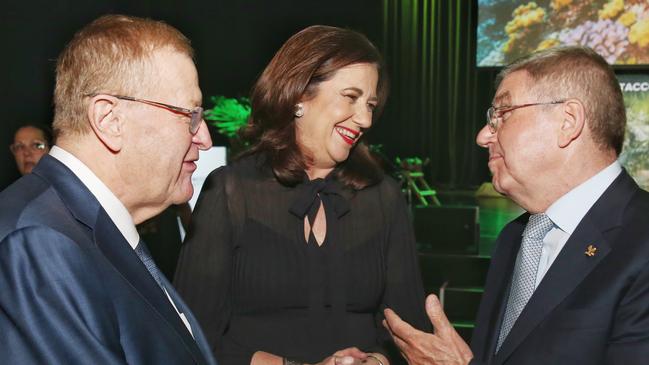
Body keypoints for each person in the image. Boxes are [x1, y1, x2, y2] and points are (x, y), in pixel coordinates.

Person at [174, 25, 429, 365]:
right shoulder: (231, 191)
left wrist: (377, 362)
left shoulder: (383, 196)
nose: (365, 118)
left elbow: (410, 334)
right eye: (351, 97)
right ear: (299, 96)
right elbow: (192, 336)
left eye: (370, 104)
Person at [383, 46, 649, 364]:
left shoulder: (641, 244)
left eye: (502, 114)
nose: (483, 136)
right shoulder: (517, 236)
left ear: (568, 121)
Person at [0, 15, 217, 364]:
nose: (204, 138)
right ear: (109, 120)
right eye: (188, 115)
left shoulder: (89, 226)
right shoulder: (39, 241)